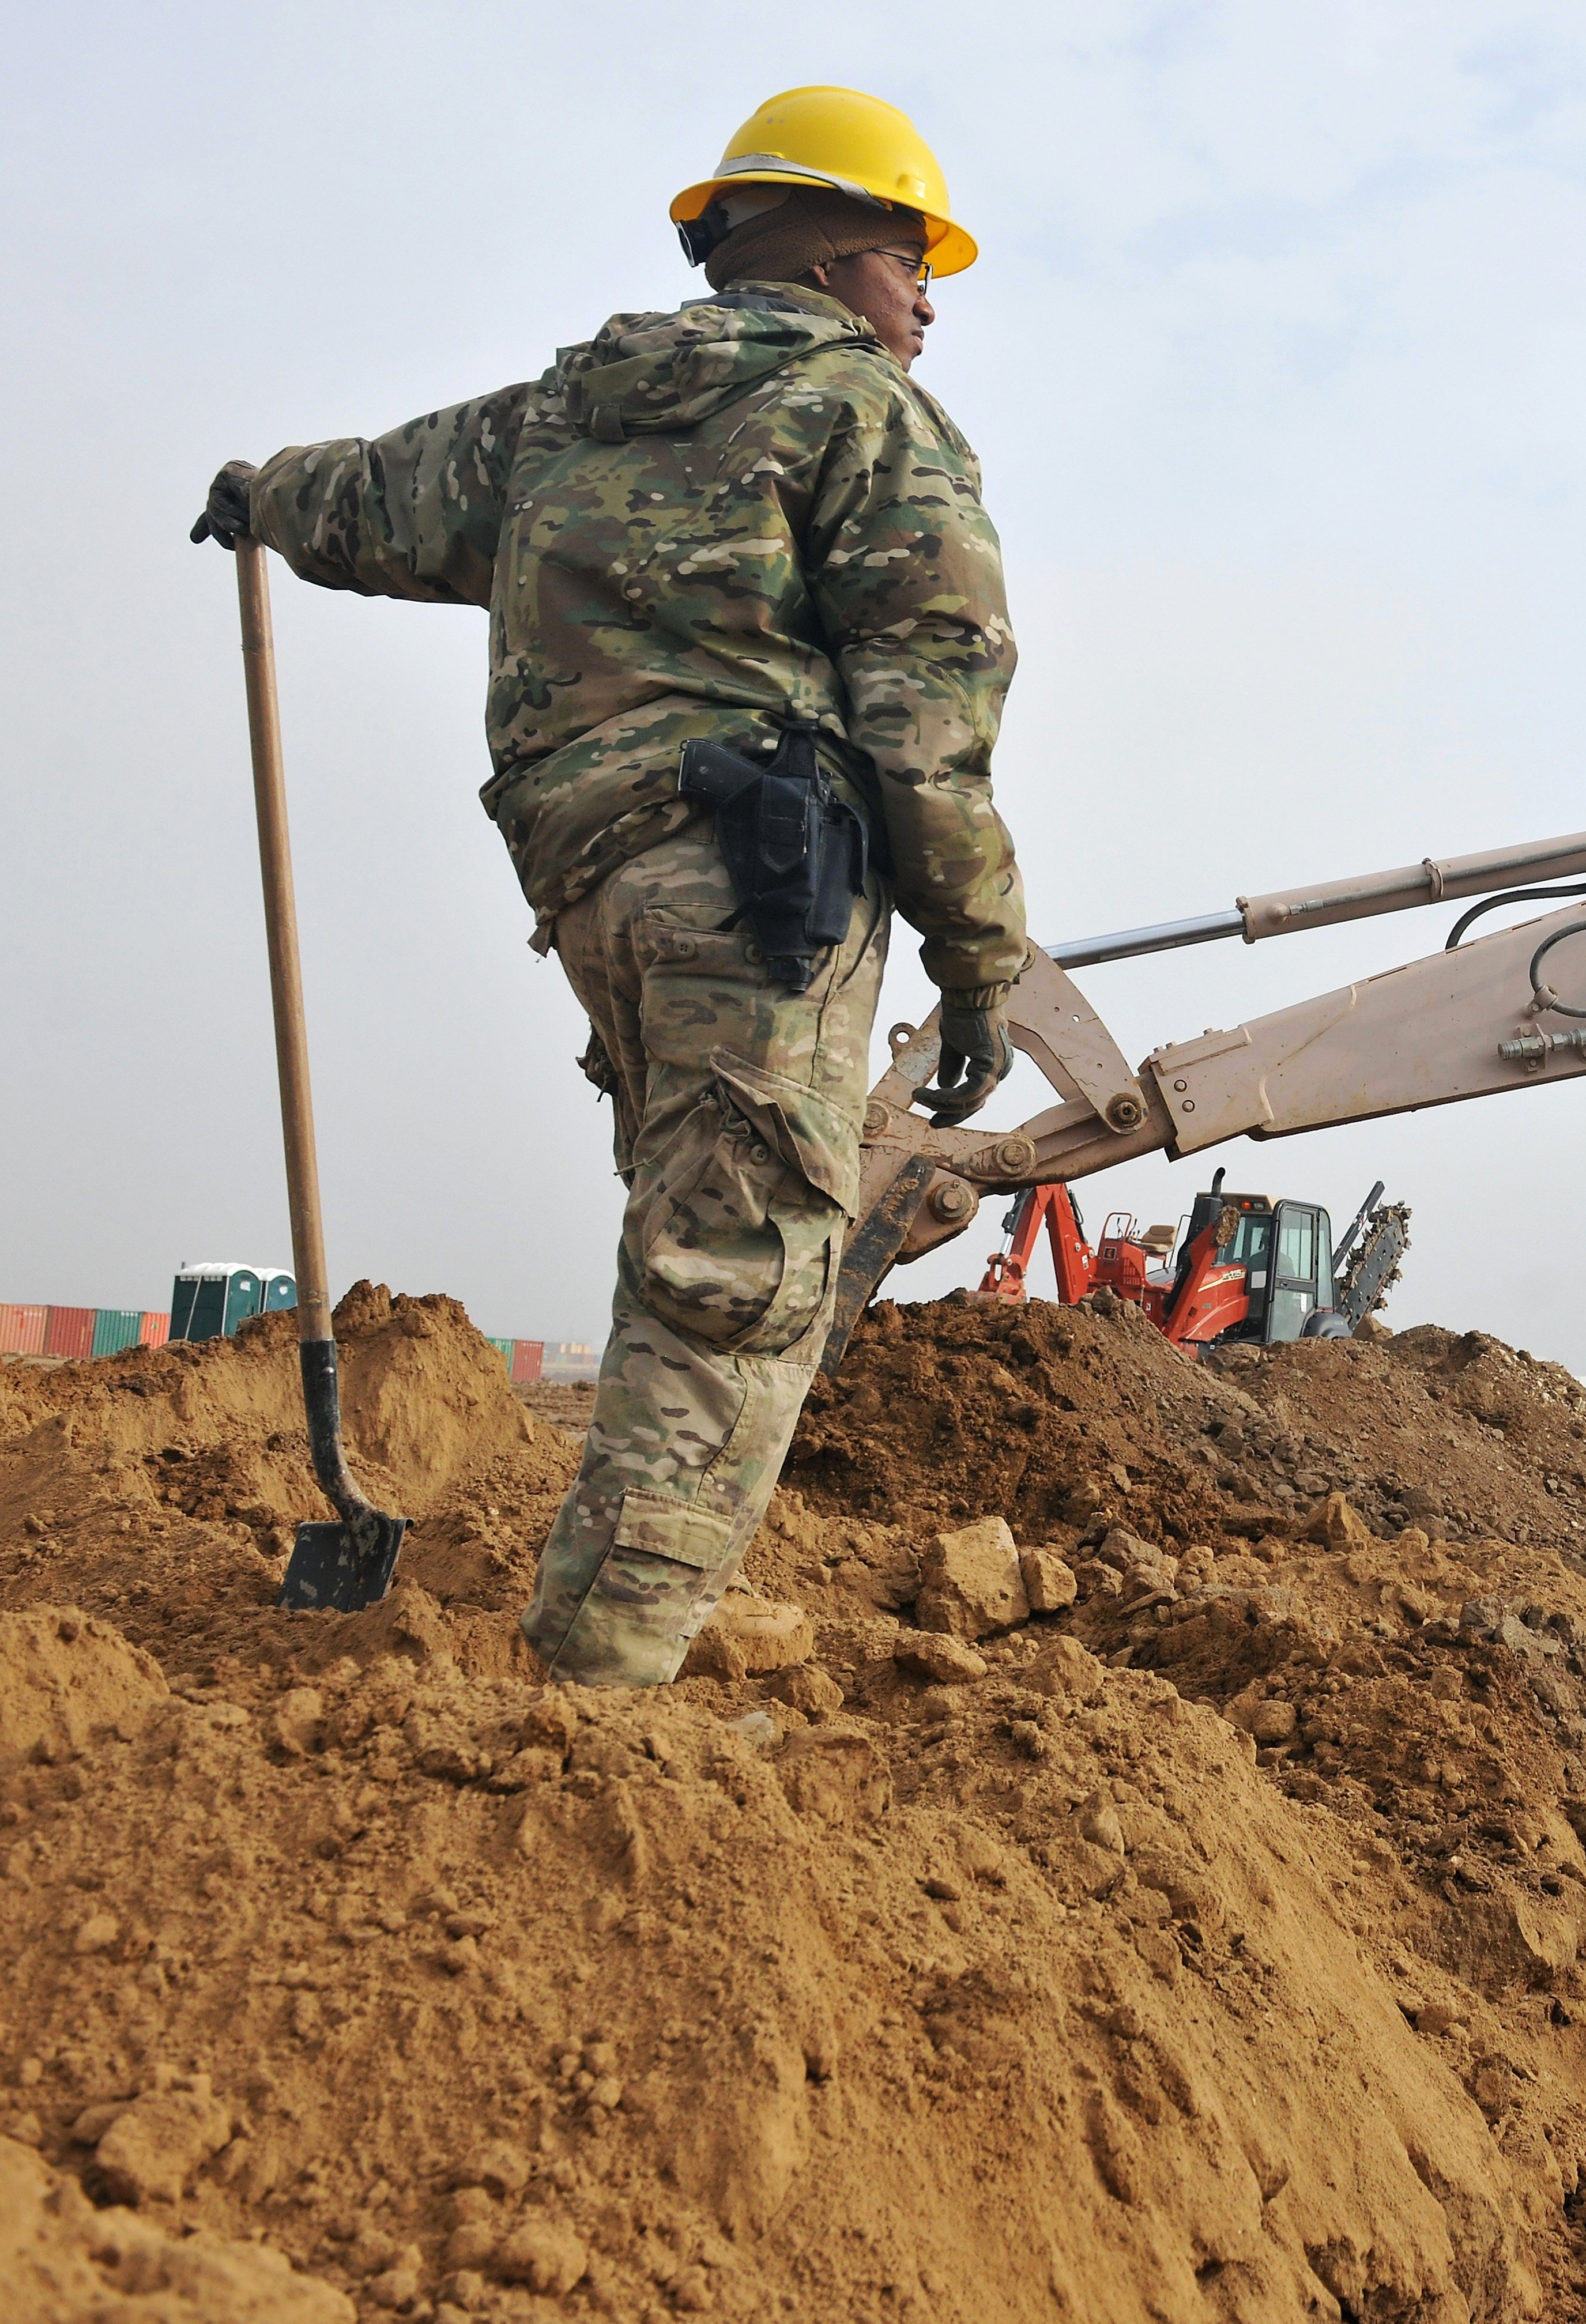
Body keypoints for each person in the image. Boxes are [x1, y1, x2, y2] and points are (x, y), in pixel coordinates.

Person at [189, 88, 1031, 1685]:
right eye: (920, 268)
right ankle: (596, 1698)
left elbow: (369, 495)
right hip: (757, 883)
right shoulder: (865, 418)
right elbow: (933, 709)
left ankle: (601, 1644)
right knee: (737, 1281)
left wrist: (263, 491)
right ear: (850, 255)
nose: (929, 309)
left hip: (591, 880)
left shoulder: (565, 419)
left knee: (687, 1228)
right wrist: (982, 954)